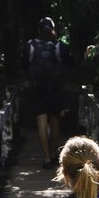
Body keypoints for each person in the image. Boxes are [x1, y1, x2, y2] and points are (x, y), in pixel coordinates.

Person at [26, 17, 70, 169]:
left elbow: (24, 65)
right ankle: (52, 153)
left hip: (38, 88)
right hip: (55, 88)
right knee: (55, 120)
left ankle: (46, 159)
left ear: (39, 30)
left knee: (42, 122)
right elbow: (68, 64)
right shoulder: (58, 46)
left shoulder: (31, 45)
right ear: (53, 29)